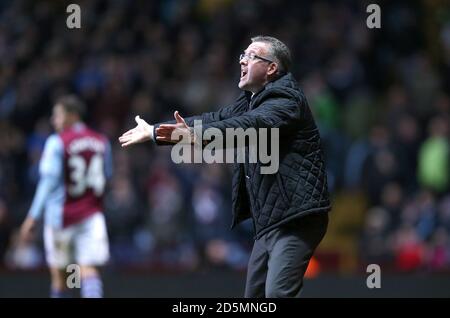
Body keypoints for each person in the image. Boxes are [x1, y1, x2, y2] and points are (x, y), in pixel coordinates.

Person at [119, 36, 330, 297]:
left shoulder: (286, 101)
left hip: (297, 218)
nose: (242, 59)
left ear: (272, 68)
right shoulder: (251, 100)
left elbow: (242, 127)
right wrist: (155, 132)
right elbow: (214, 119)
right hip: (271, 221)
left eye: (251, 56)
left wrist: (188, 136)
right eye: (242, 54)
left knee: (276, 296)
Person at [20, 95, 113, 298]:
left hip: (61, 218)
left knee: (62, 279)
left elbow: (48, 183)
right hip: (92, 215)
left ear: (72, 116)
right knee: (88, 272)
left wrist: (33, 216)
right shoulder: (102, 141)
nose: (54, 121)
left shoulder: (57, 142)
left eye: (58, 116)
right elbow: (107, 176)